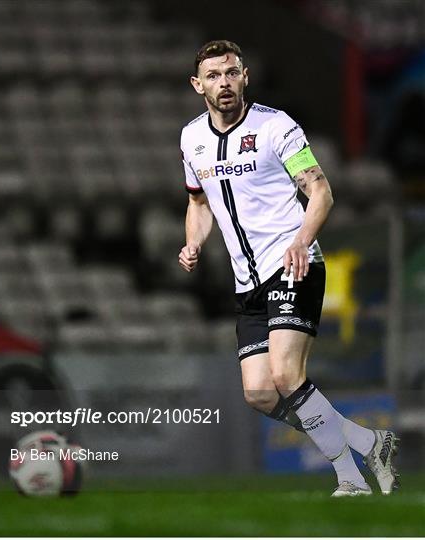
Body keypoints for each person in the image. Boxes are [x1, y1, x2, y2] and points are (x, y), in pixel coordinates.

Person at [178, 40, 399, 497]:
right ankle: (367, 441)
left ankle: (349, 477)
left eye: (232, 73)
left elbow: (320, 192)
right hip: (247, 280)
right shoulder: (191, 138)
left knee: (286, 376)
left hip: (293, 263)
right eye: (215, 76)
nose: (225, 83)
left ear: (245, 77)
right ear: (198, 84)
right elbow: (198, 201)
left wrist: (301, 241)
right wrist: (193, 242)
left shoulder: (276, 127)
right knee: (260, 394)